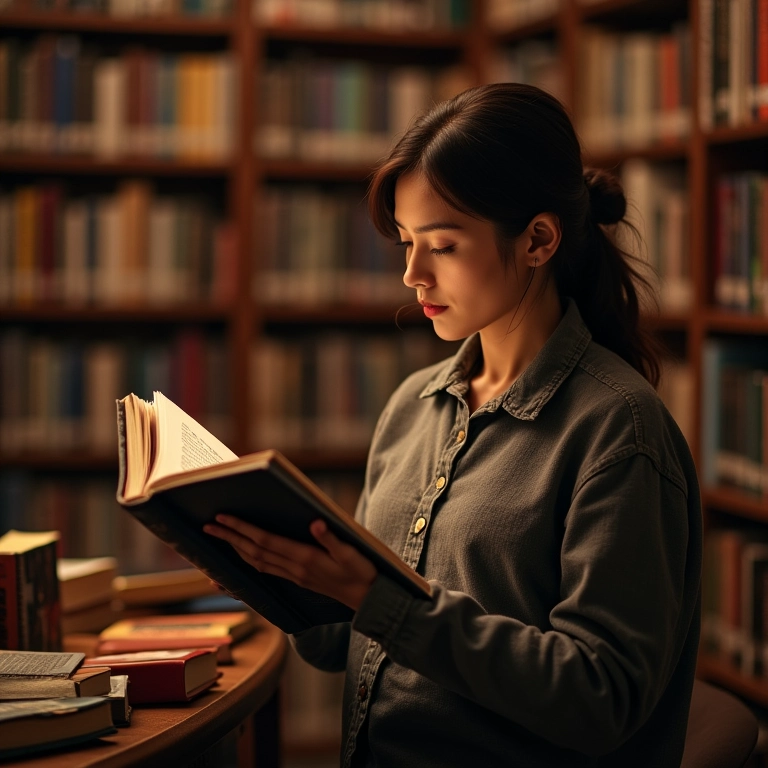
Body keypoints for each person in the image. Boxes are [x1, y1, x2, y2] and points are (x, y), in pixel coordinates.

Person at [204, 82, 702, 767]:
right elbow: (343, 645)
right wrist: (261, 567)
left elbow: (600, 695)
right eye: (407, 242)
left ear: (537, 240)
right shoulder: (415, 404)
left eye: (441, 246)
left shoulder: (619, 432)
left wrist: (383, 601)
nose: (411, 274)